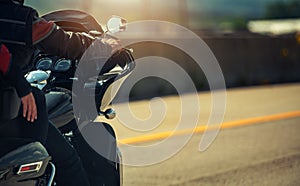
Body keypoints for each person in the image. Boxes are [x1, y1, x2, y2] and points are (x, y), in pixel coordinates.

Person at [0, 0, 120, 185]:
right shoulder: (21, 18)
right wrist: (104, 46)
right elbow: (64, 43)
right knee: (68, 160)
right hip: (12, 115)